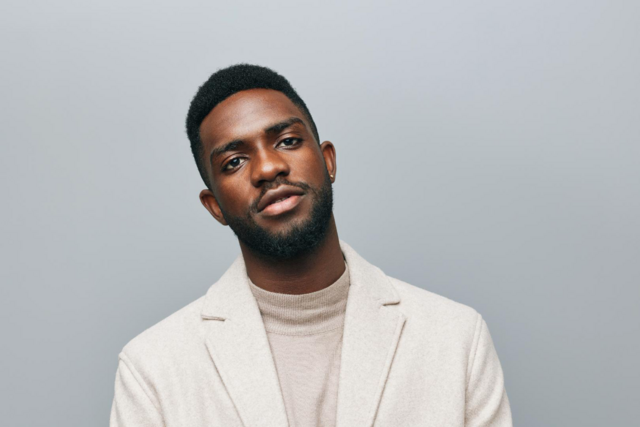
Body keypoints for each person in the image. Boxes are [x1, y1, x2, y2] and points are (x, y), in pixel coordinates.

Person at [109, 64, 513, 427]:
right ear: (215, 206)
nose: (268, 168)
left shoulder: (455, 339)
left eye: (287, 141)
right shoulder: (153, 369)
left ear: (328, 161)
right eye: (234, 162)